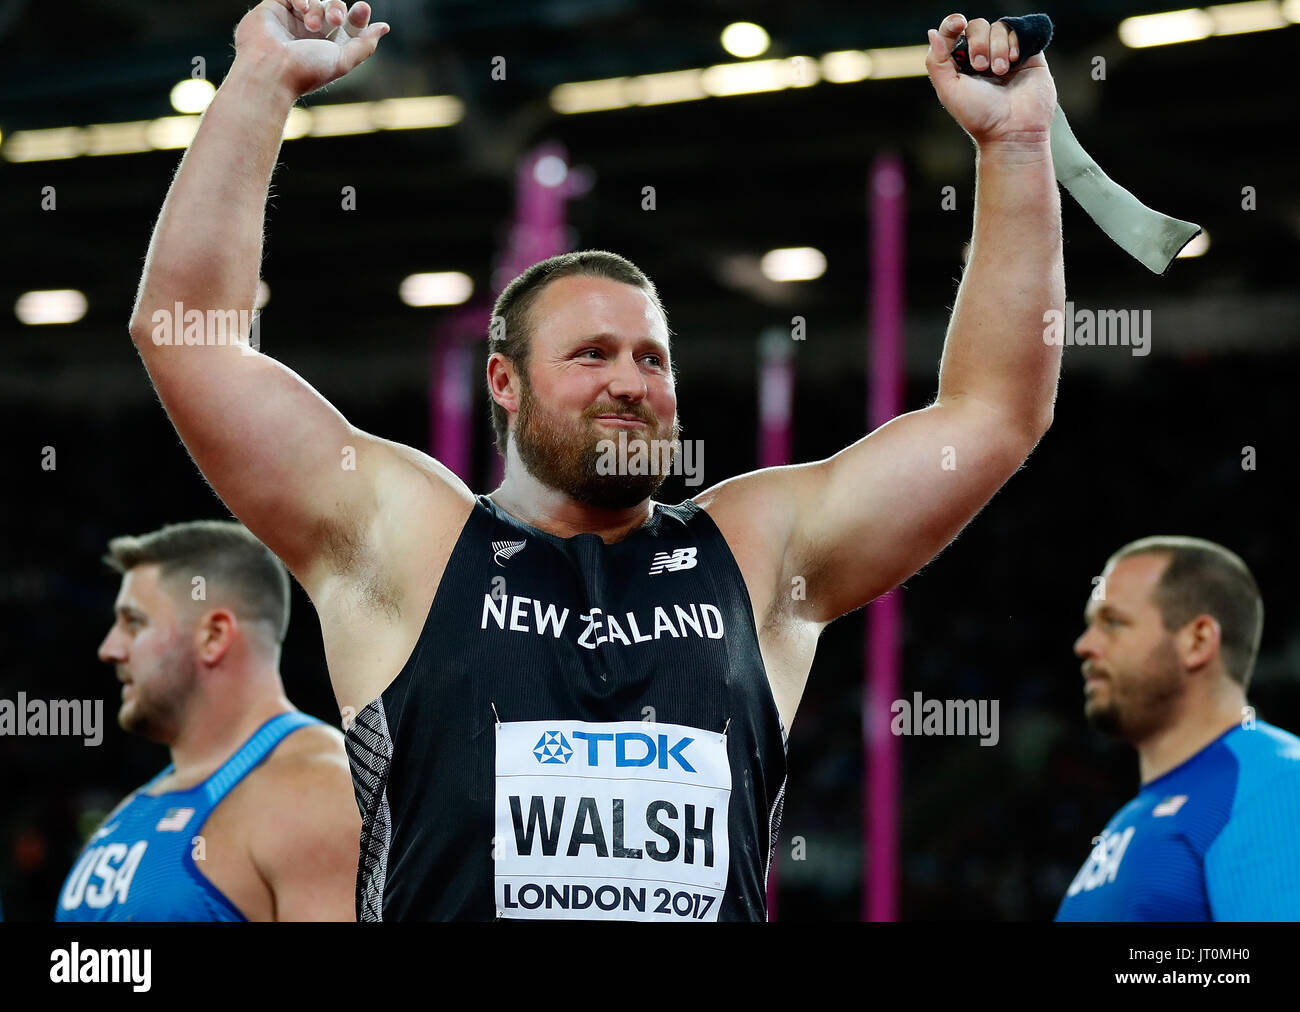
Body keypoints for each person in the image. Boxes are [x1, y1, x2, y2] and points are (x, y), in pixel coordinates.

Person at [127, 2, 1063, 920]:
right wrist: (259, 82)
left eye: (652, 359)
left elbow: (992, 416)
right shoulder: (404, 538)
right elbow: (191, 344)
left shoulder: (758, 548)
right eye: (591, 355)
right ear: (504, 381)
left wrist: (1016, 147)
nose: (631, 383)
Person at [56, 521, 359, 921]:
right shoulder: (139, 806)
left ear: (214, 635)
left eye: (133, 623)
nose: (109, 649)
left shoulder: (317, 792)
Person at [1057, 536, 1300, 921]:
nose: (1084, 645)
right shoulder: (1129, 821)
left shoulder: (1278, 783)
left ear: (1197, 641)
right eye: (1089, 626)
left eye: (1113, 623)